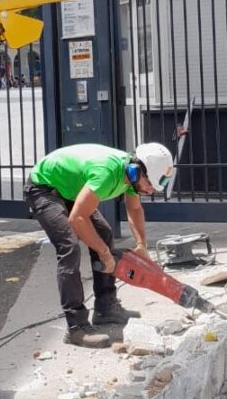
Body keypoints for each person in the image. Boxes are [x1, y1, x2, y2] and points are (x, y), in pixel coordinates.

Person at [24, 142, 174, 348]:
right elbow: (77, 219)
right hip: (44, 187)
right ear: (136, 170)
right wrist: (104, 253)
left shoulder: (132, 176)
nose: (150, 190)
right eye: (149, 184)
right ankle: (76, 327)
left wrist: (141, 245)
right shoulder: (107, 173)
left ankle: (105, 308)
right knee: (69, 247)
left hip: (69, 188)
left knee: (103, 233)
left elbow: (135, 210)